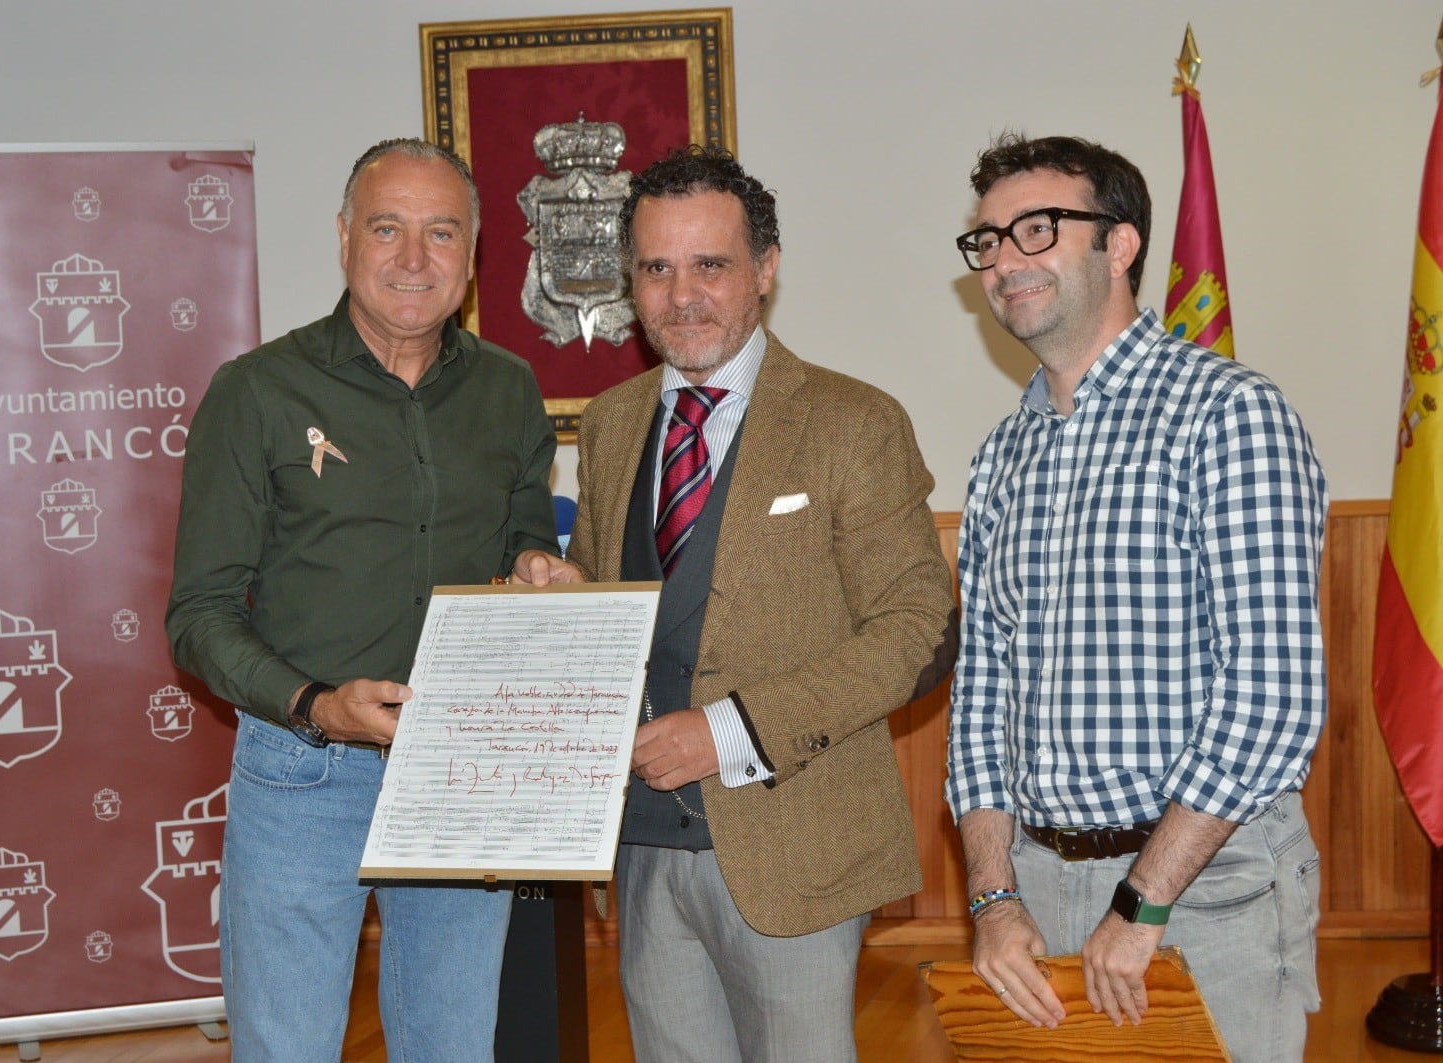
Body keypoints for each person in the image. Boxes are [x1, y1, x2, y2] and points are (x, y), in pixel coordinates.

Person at [514, 145, 957, 1063]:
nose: (683, 295)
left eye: (710, 264)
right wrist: (567, 598)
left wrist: (726, 732)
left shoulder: (852, 420)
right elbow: (620, 602)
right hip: (639, 851)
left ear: (765, 269)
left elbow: (920, 630)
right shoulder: (612, 422)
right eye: (657, 268)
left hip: (792, 843)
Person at [165, 138, 558, 1063]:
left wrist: (543, 565)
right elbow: (199, 615)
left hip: (463, 767)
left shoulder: (508, 390)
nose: (414, 259)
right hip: (304, 768)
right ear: (345, 239)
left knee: (453, 1045)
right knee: (288, 1047)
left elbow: (525, 536)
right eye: (388, 229)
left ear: (474, 255)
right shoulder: (257, 391)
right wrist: (314, 704)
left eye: (441, 232)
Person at [945, 133, 1326, 1063]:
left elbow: (1273, 698)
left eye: (1036, 230)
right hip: (1034, 892)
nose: (1005, 261)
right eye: (988, 241)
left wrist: (1142, 898)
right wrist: (994, 899)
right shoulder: (1003, 453)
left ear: (1120, 245)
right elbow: (980, 697)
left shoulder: (1229, 414)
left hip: (1205, 888)